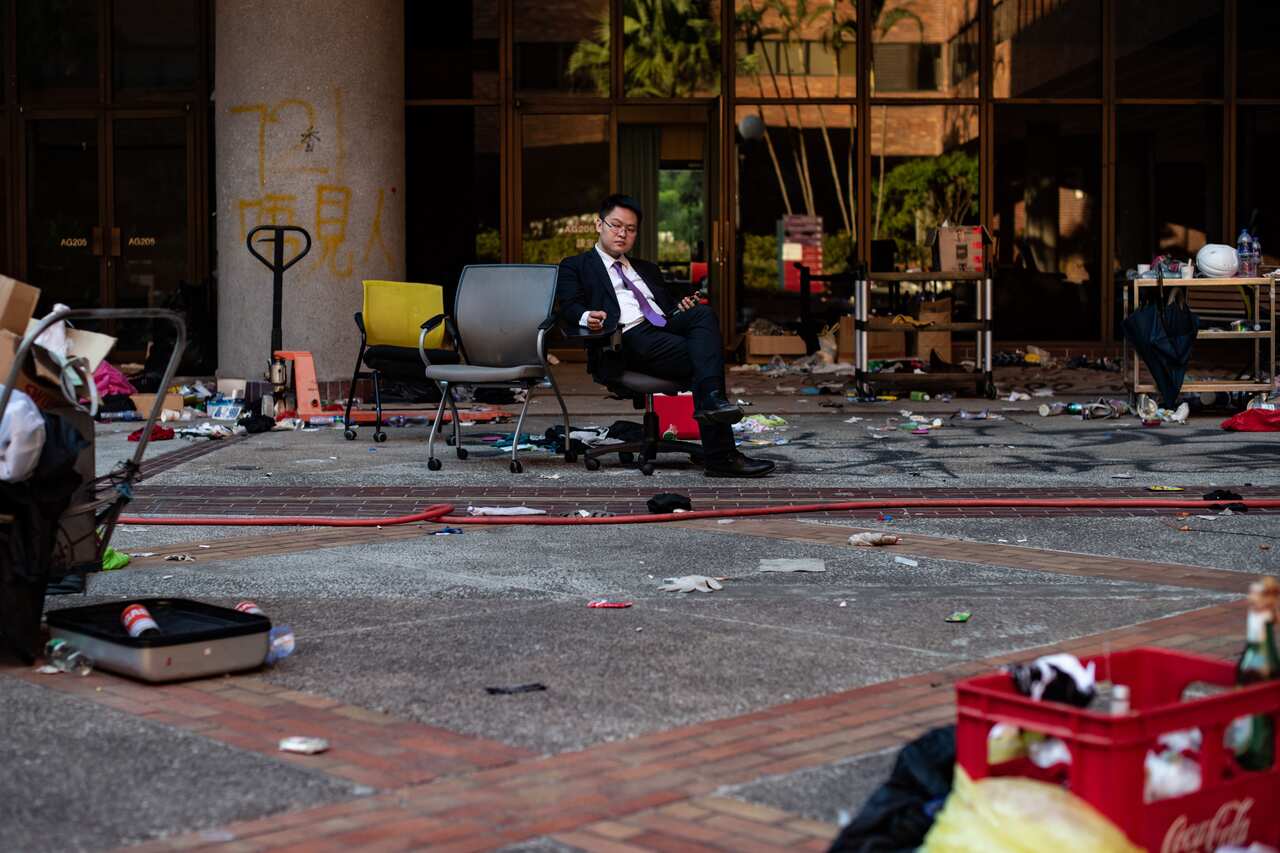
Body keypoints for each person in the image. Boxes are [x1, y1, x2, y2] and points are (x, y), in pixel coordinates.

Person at [557, 194, 775, 478]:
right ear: (599, 225)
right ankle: (720, 449)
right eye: (616, 225)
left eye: (631, 229)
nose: (622, 233)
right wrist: (588, 317)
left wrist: (678, 309)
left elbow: (665, 311)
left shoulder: (646, 269)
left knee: (703, 315)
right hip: (624, 338)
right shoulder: (575, 265)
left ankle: (713, 412)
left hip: (660, 329)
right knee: (705, 359)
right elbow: (569, 306)